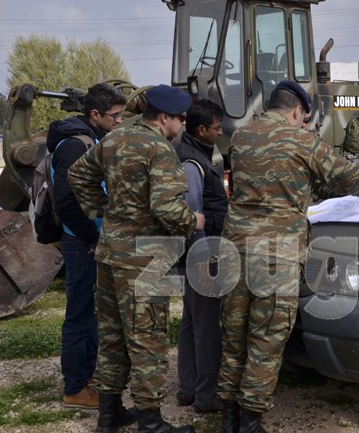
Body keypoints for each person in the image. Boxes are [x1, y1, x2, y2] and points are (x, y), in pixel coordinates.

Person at [218, 80, 359, 433]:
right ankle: (250, 422)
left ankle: (228, 417)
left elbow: (280, 179)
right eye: (304, 118)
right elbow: (352, 179)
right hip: (276, 257)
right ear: (296, 111)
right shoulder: (303, 140)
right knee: (266, 340)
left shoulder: (240, 138)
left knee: (234, 336)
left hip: (234, 250)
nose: (304, 124)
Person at [68, 84, 205, 433]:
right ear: (163, 118)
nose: (184, 124)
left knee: (112, 337)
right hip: (144, 259)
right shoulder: (160, 150)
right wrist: (194, 221)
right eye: (181, 118)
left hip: (110, 254)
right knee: (148, 339)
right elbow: (167, 209)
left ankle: (109, 414)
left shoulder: (115, 138)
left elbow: (78, 174)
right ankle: (151, 423)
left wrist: (104, 213)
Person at [48, 82, 127, 411]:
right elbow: (67, 202)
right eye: (115, 116)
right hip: (81, 243)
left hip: (90, 240)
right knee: (80, 315)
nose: (119, 121)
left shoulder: (92, 140)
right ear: (95, 114)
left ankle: (88, 376)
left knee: (93, 314)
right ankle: (76, 388)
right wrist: (94, 239)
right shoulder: (74, 146)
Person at [174, 99, 228, 414]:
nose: (220, 133)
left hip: (195, 252)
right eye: (217, 128)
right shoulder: (192, 164)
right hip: (201, 252)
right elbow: (192, 214)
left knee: (190, 320)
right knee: (207, 326)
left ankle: (188, 388)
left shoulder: (196, 155)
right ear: (201, 129)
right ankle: (207, 397)